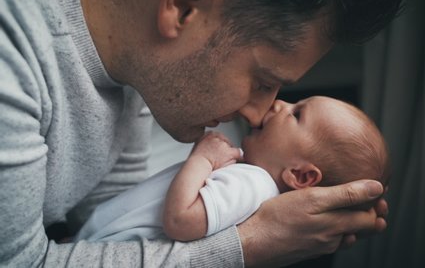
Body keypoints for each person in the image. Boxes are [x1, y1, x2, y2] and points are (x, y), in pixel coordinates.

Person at [0, 0, 403, 267]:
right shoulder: (12, 62)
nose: (262, 111)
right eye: (263, 80)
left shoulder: (137, 68)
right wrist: (254, 242)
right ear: (182, 7)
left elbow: (104, 214)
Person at [74, 96, 389, 243]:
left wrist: (202, 158)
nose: (280, 103)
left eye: (296, 114)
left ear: (301, 176)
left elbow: (180, 220)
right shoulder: (248, 176)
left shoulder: (254, 185)